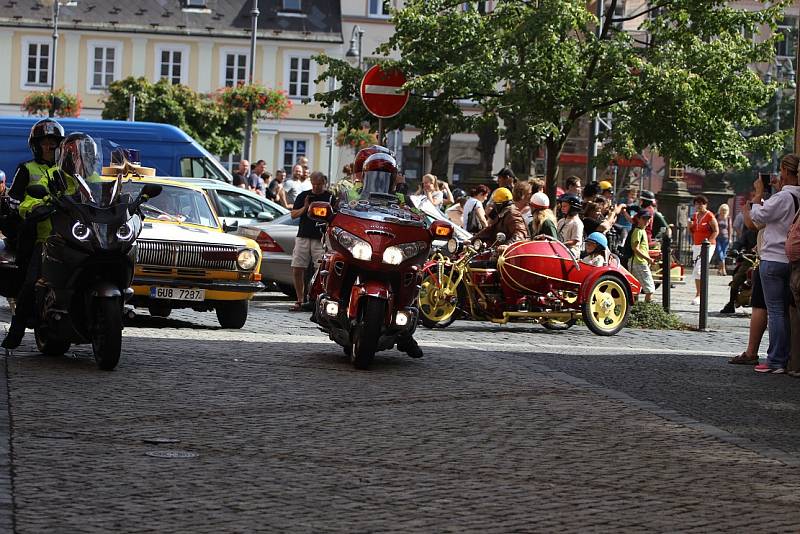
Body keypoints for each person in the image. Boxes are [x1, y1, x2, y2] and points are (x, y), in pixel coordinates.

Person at [2, 131, 85, 349]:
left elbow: (95, 190)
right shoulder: (29, 169)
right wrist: (33, 209)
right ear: (36, 146)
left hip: (76, 236)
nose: (49, 147)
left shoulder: (74, 172)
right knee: (30, 282)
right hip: (44, 235)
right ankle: (17, 329)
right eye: (45, 144)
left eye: (54, 144)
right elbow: (18, 200)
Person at [745, 154, 800, 373]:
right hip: (793, 261)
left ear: (785, 172)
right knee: (788, 312)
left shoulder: (784, 197)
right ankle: (788, 358)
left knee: (775, 311)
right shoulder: (792, 196)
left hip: (774, 258)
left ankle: (776, 359)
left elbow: (758, 215)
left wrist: (759, 194)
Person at [289, 171, 332, 312]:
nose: (316, 187)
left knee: (320, 269)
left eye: (319, 184)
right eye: (313, 184)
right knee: (297, 267)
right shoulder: (304, 195)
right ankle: (300, 299)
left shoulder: (329, 197)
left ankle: (316, 299)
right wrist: (306, 207)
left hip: (319, 237)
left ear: (324, 183)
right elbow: (293, 214)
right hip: (303, 235)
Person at [688, 195, 719, 305]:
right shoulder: (695, 216)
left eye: (702, 203)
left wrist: (709, 242)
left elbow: (716, 230)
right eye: (697, 203)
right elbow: (692, 231)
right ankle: (698, 293)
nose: (699, 205)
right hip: (696, 245)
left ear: (705, 204)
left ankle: (701, 294)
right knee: (696, 270)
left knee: (699, 269)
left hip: (707, 246)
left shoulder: (710, 216)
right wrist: (689, 226)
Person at [630, 209, 656, 303]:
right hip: (639, 263)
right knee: (650, 289)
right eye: (644, 218)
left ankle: (635, 309)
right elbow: (635, 248)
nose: (646, 221)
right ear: (638, 219)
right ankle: (647, 311)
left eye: (648, 219)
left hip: (639, 262)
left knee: (635, 288)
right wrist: (648, 259)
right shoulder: (638, 231)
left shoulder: (642, 231)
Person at [716, 203, 732, 275]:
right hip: (717, 237)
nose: (724, 211)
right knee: (720, 253)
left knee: (723, 253)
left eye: (725, 210)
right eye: (723, 210)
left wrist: (730, 238)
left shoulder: (728, 218)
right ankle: (724, 269)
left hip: (725, 238)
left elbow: (730, 229)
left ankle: (720, 270)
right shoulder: (717, 216)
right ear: (720, 209)